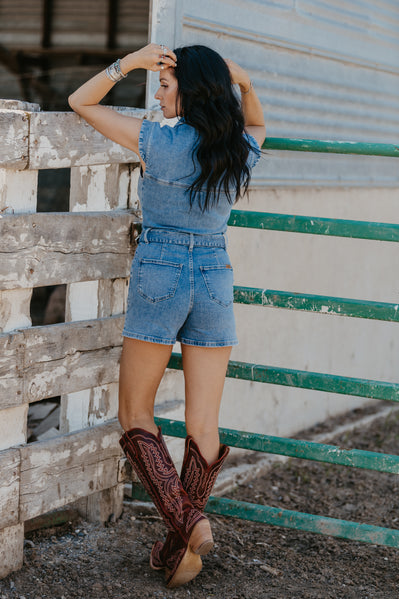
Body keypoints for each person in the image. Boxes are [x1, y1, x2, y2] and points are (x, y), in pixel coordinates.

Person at [68, 42, 266, 588]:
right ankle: (182, 550)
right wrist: (243, 82)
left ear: (190, 89)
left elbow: (80, 101)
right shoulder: (238, 149)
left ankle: (187, 520)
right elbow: (257, 120)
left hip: (160, 269)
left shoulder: (156, 139)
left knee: (134, 411)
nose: (158, 91)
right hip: (214, 274)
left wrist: (128, 62)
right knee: (204, 422)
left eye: (165, 83)